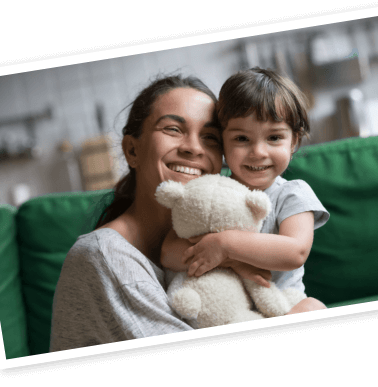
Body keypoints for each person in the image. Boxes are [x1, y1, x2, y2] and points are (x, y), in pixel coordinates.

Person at [49, 73, 273, 352]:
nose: (194, 147)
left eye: (210, 137)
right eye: (173, 129)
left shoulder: (218, 242)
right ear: (132, 150)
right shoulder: (104, 256)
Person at [161, 67, 330, 314]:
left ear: (293, 141)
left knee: (312, 307)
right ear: (222, 142)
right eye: (241, 139)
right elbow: (168, 253)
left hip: (283, 306)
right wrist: (233, 263)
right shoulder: (212, 192)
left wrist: (226, 245)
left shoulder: (292, 193)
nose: (258, 152)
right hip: (229, 312)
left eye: (274, 138)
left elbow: (295, 252)